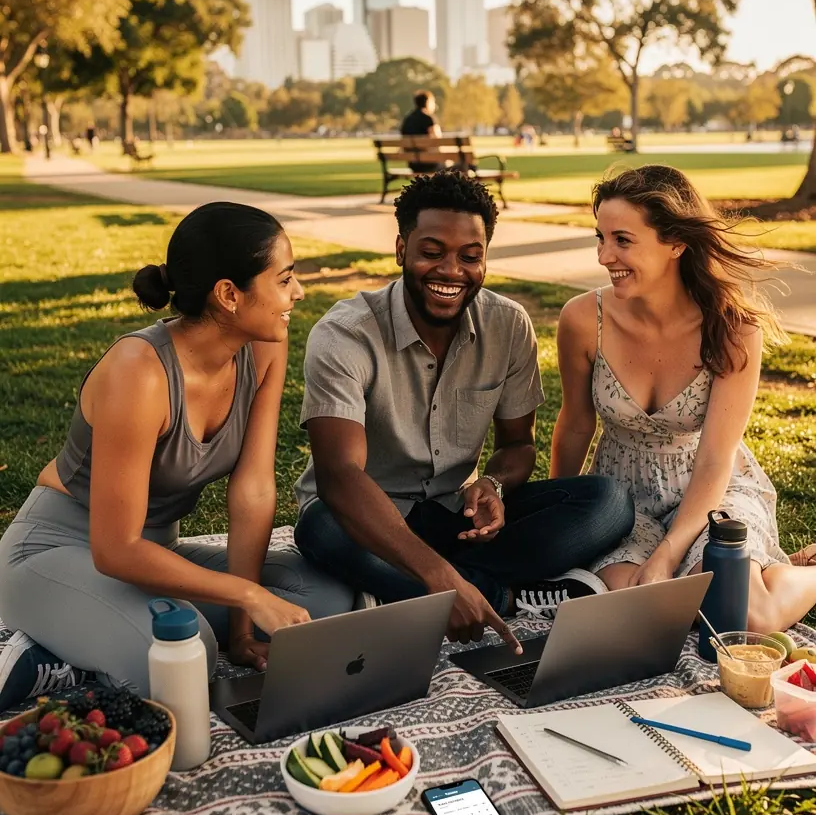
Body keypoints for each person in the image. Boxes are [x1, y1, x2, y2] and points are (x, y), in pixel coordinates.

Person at [0, 202, 353, 710]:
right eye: (285, 279)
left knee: (323, 600)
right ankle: (46, 660)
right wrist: (246, 596)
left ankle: (100, 633)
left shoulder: (263, 347)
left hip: (156, 556)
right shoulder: (138, 372)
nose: (298, 292)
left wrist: (244, 627)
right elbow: (115, 549)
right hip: (60, 550)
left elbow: (253, 490)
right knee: (187, 657)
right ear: (230, 294)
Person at [293, 172, 634, 650]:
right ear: (400, 249)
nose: (451, 271)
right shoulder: (344, 335)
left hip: (457, 518)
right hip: (367, 520)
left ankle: (402, 592)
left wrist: (492, 487)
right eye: (432, 252)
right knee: (320, 528)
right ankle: (496, 594)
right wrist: (441, 577)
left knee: (608, 502)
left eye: (470, 257)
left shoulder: (508, 325)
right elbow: (340, 476)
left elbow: (517, 445)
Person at [551, 164, 816, 632]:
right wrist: (558, 524)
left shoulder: (733, 328)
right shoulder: (581, 319)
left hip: (712, 490)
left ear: (676, 244)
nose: (603, 256)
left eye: (622, 240)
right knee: (647, 611)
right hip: (621, 494)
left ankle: (794, 575)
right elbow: (574, 425)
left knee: (746, 617)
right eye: (600, 237)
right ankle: (754, 570)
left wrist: (670, 551)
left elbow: (715, 460)